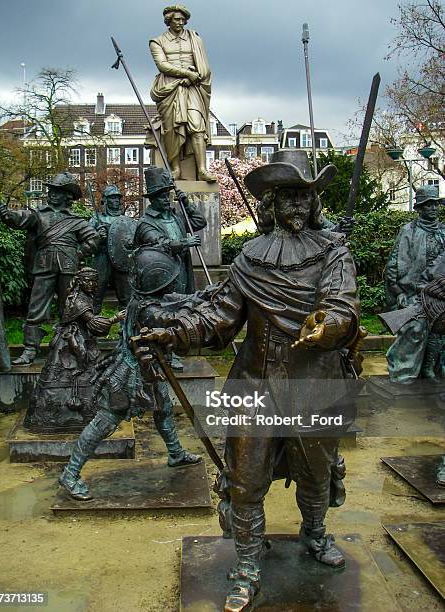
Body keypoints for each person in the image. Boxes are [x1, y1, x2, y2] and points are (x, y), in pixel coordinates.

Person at [139, 149, 360, 611]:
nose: (298, 206)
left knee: (315, 472)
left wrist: (330, 325)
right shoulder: (249, 260)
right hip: (254, 382)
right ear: (272, 204)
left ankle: (315, 533)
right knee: (245, 477)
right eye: (289, 197)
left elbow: (343, 306)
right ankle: (246, 564)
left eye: (305, 196)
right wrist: (174, 332)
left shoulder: (334, 252)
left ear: (314, 203)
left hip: (314, 380)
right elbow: (219, 318)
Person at [58, 246, 202, 501]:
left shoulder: (143, 300)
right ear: (157, 283)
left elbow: (177, 300)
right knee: (105, 422)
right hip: (130, 375)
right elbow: (173, 313)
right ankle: (70, 473)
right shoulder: (149, 311)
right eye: (168, 282)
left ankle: (175, 453)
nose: (172, 286)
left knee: (164, 409)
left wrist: (203, 296)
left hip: (150, 372)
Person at [0, 172, 100, 364]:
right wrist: (8, 215)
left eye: (57, 191)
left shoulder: (76, 220)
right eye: (51, 190)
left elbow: (93, 239)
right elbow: (20, 218)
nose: (52, 194)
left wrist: (78, 253)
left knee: (70, 309)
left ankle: (72, 345)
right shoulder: (39, 215)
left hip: (69, 268)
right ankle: (30, 349)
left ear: (67, 196)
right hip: (44, 266)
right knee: (36, 307)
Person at [24, 268, 124, 432]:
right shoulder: (79, 301)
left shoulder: (83, 296)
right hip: (72, 339)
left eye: (94, 281)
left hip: (80, 336)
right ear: (79, 282)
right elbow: (94, 323)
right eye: (87, 281)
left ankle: (88, 414)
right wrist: (115, 318)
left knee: (89, 374)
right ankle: (57, 418)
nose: (91, 284)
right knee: (77, 367)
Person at [135, 166, 207, 370]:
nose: (166, 199)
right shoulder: (146, 223)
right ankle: (161, 352)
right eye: (161, 196)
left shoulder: (176, 216)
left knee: (179, 310)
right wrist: (184, 243)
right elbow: (158, 242)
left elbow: (200, 221)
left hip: (181, 270)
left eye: (168, 194)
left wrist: (186, 203)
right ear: (152, 199)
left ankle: (173, 349)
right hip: (161, 276)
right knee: (162, 312)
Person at [384, 185, 445, 383]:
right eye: (428, 205)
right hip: (414, 293)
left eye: (435, 204)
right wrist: (398, 291)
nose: (433, 208)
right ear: (419, 208)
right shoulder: (408, 231)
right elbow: (394, 265)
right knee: (417, 325)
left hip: (441, 292)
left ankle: (434, 367)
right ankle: (405, 373)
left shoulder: (444, 231)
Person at [148, 5, 215, 181]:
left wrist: (194, 77)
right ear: (168, 20)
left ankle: (201, 170)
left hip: (192, 86)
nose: (181, 22)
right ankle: (175, 169)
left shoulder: (195, 39)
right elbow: (162, 65)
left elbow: (204, 66)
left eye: (183, 19)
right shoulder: (157, 41)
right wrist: (186, 73)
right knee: (171, 129)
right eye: (177, 19)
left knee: (197, 125)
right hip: (169, 89)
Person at [90, 185, 136, 314]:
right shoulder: (96, 219)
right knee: (96, 294)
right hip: (102, 258)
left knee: (126, 297)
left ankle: (126, 328)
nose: (116, 201)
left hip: (122, 260)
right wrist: (98, 236)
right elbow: (88, 240)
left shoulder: (126, 221)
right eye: (112, 198)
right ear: (105, 200)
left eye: (117, 198)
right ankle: (92, 326)